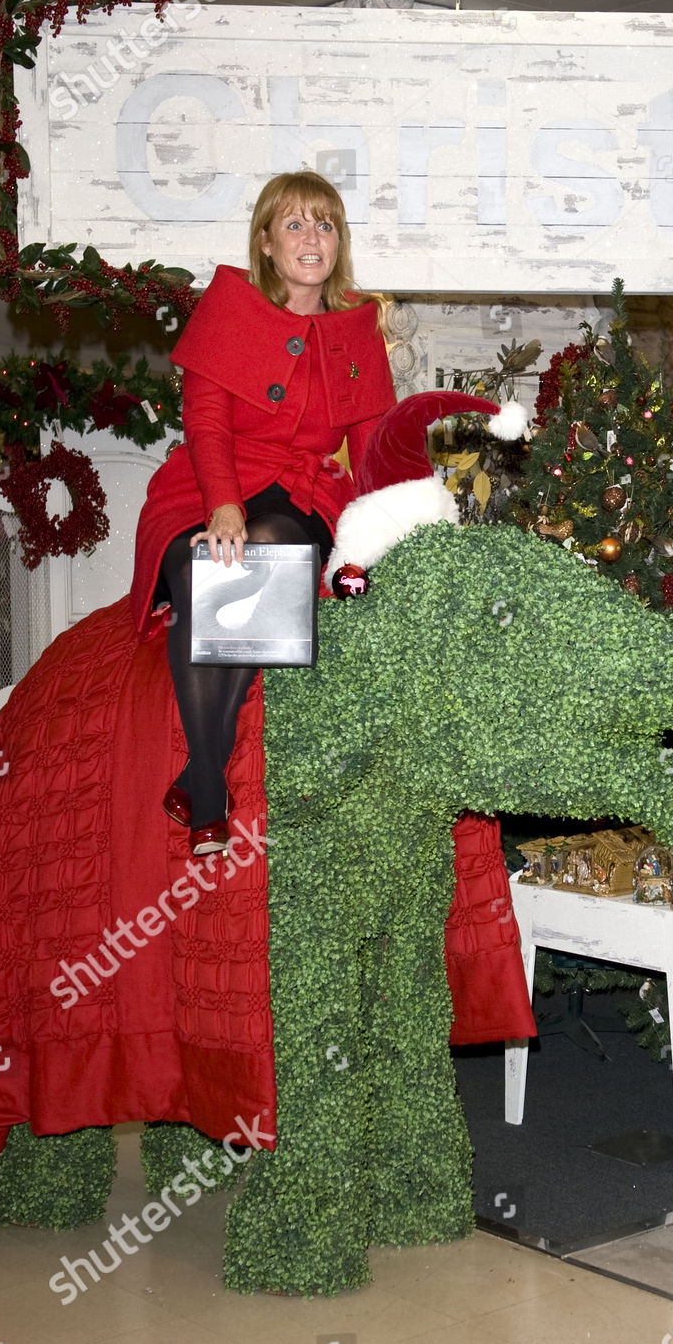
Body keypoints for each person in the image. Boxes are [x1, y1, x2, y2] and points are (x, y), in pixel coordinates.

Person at [130, 171, 396, 855]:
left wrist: (381, 531)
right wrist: (223, 504)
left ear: (339, 242)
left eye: (326, 224)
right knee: (206, 568)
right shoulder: (229, 307)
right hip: (207, 483)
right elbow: (205, 421)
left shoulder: (358, 328)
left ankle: (201, 781)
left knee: (272, 552)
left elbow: (373, 446)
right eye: (295, 224)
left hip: (301, 493)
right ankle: (209, 786)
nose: (312, 238)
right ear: (267, 243)